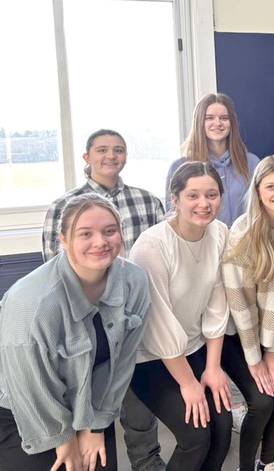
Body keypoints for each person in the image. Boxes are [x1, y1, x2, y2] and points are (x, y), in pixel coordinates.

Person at [41, 128, 165, 471]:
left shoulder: (147, 201)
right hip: (87, 326)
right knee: (92, 404)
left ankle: (146, 461)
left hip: (135, 318)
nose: (111, 156)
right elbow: (53, 273)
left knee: (138, 406)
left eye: (118, 150)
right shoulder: (64, 207)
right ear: (87, 157)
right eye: (102, 150)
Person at [1, 193, 149, 471]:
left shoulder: (135, 281)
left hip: (88, 402)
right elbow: (26, 381)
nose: (100, 242)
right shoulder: (32, 301)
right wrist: (62, 437)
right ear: (64, 240)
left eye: (109, 231)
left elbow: (122, 363)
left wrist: (95, 426)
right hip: (22, 409)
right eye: (85, 234)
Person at [129, 162, 233, 471]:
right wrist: (188, 384)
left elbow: (217, 303)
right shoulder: (152, 246)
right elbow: (158, 325)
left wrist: (213, 368)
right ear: (175, 199)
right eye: (193, 196)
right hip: (151, 357)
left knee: (223, 429)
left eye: (212, 195)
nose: (204, 204)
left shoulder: (219, 232)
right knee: (196, 436)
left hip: (194, 348)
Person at [222, 155, 274, 471]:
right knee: (261, 402)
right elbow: (239, 304)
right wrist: (257, 357)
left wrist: (273, 349)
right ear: (258, 191)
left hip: (273, 335)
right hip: (238, 335)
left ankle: (267, 463)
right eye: (271, 186)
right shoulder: (243, 232)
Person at [166, 93, 260, 227]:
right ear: (199, 122)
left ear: (231, 123)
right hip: (199, 243)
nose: (217, 123)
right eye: (209, 118)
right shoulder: (180, 167)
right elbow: (172, 217)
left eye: (224, 118)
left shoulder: (252, 163)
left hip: (244, 243)